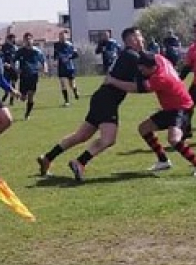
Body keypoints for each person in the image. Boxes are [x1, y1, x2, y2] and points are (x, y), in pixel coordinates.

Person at [36, 27, 145, 181]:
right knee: (108, 139)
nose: (143, 40)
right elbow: (144, 78)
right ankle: (79, 162)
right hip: (107, 100)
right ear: (131, 39)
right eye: (140, 36)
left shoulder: (126, 54)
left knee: (81, 135)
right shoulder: (132, 56)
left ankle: (47, 157)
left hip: (101, 97)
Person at [134, 51, 196, 177]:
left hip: (182, 108)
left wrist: (114, 82)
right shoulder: (160, 60)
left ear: (152, 68)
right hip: (170, 108)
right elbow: (153, 55)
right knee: (143, 128)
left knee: (174, 139)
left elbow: (136, 88)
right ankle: (163, 161)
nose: (141, 72)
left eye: (143, 70)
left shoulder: (160, 78)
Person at [14, 33, 47, 120]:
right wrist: (15, 68)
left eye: (30, 39)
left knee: (31, 95)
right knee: (23, 97)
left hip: (33, 75)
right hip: (23, 76)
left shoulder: (37, 51)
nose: (28, 41)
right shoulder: (20, 51)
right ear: (24, 41)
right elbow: (13, 60)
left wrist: (45, 68)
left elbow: (43, 61)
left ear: (32, 40)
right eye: (26, 39)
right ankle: (22, 96)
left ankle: (27, 114)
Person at [52, 30, 80, 107]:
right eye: (60, 36)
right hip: (61, 67)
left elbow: (76, 55)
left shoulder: (70, 45)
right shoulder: (56, 45)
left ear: (66, 37)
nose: (62, 38)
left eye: (63, 36)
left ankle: (75, 91)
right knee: (63, 84)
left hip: (69, 67)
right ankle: (67, 101)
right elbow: (55, 55)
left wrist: (68, 58)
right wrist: (55, 61)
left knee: (71, 85)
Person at [0, 33, 19, 103]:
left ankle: (11, 99)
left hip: (13, 68)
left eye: (14, 39)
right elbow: (0, 57)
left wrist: (17, 66)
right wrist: (4, 63)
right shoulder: (3, 47)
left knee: (13, 83)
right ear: (8, 39)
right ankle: (6, 94)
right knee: (6, 82)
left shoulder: (15, 48)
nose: (13, 40)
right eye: (12, 39)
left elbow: (17, 58)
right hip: (6, 68)